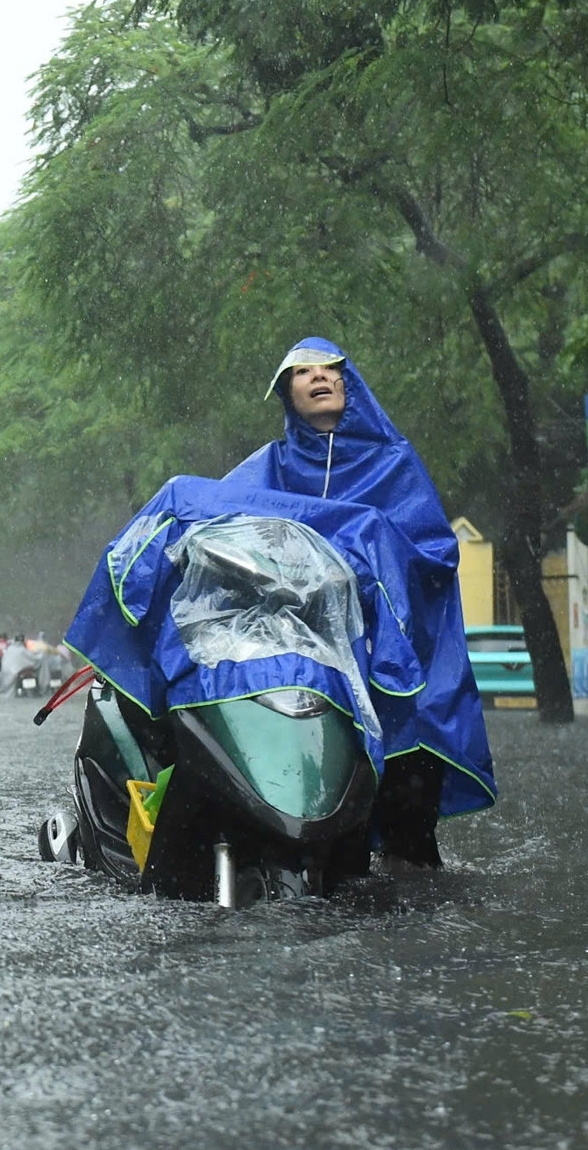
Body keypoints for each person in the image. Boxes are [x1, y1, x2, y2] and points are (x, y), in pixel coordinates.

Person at [226, 336, 497, 868]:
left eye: (331, 369)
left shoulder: (394, 463)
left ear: (348, 385)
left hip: (393, 675)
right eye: (304, 372)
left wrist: (369, 555)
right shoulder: (267, 470)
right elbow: (218, 524)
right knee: (329, 839)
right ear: (286, 393)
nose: (319, 376)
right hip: (307, 674)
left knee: (409, 840)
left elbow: (436, 554)